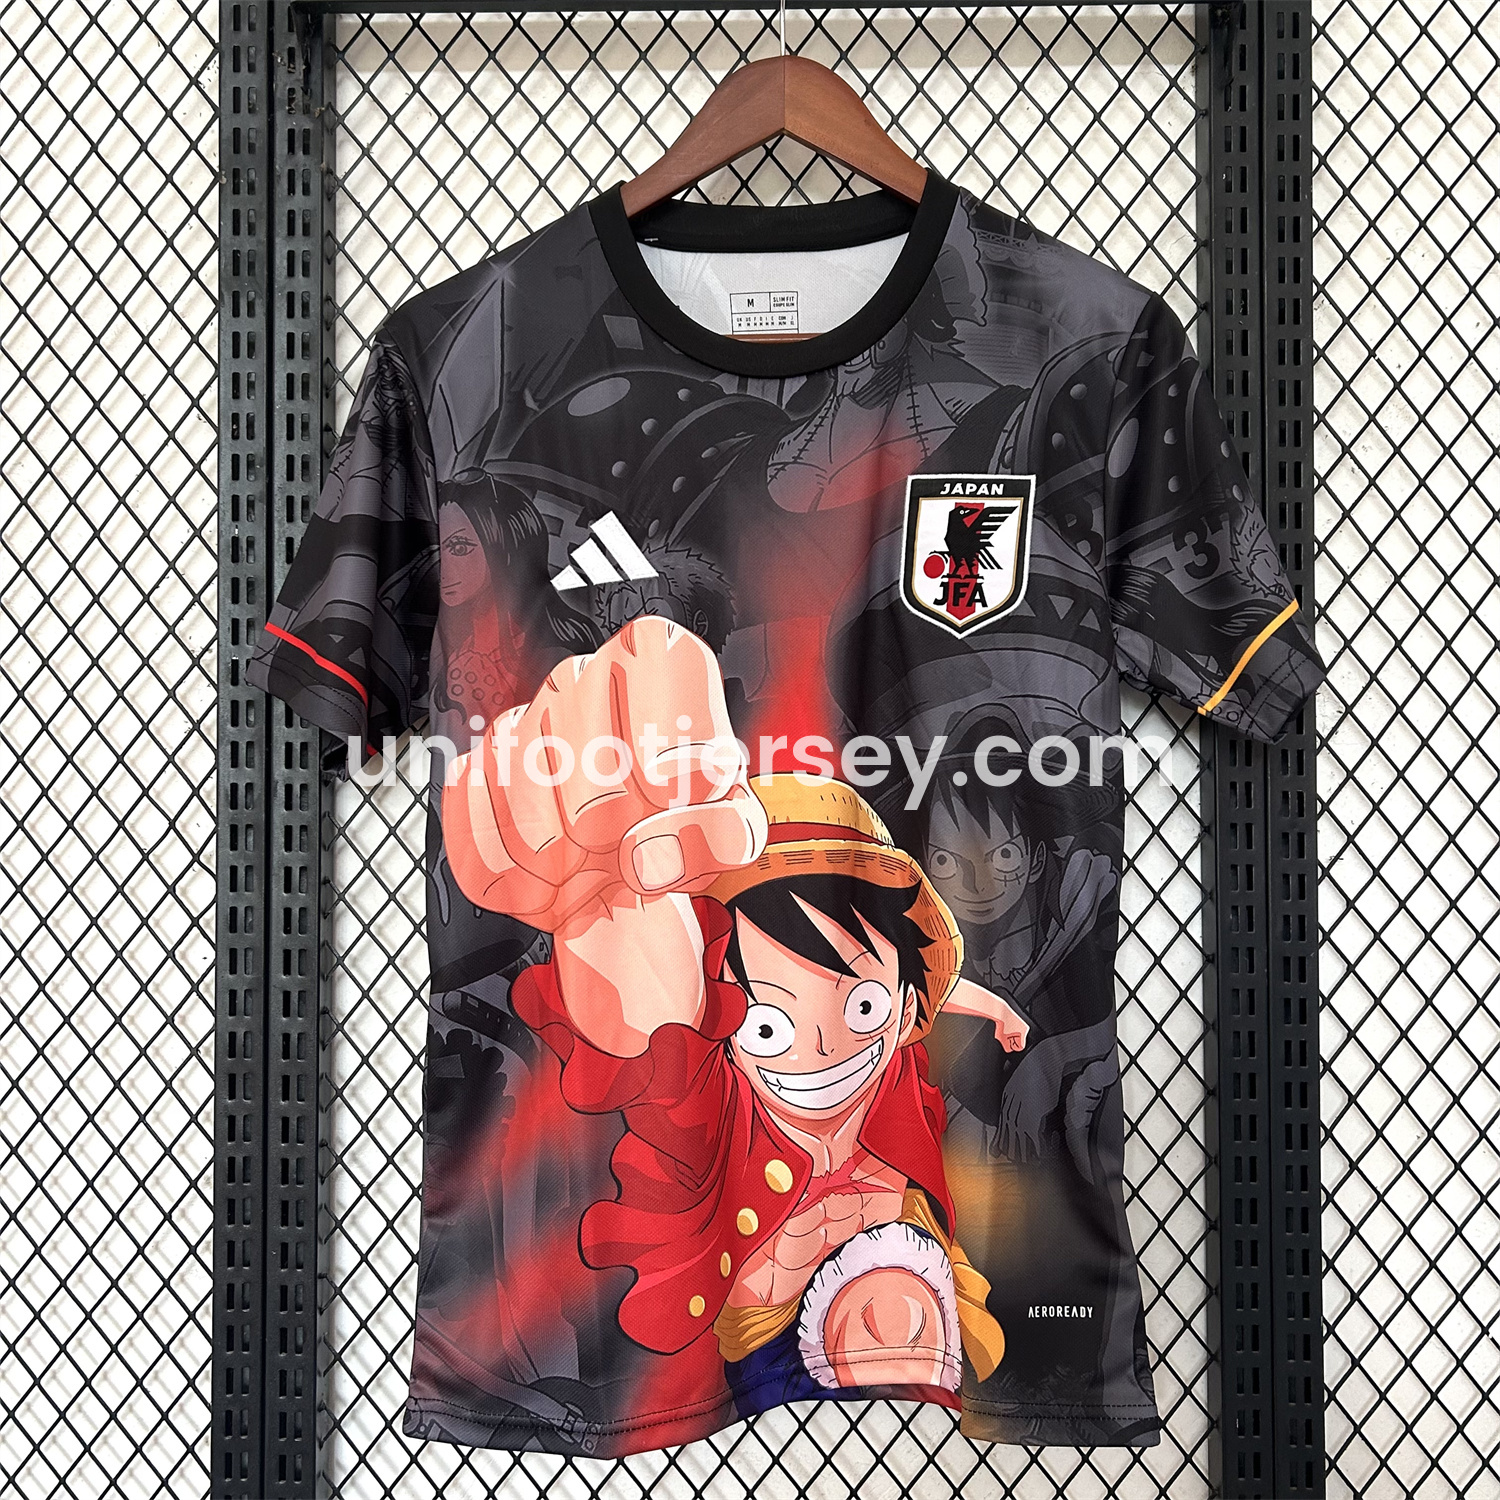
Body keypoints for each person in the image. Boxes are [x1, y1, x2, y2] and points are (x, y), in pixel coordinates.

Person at [441, 616, 1031, 1414]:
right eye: (766, 1025)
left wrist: (988, 1005)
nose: (820, 1048)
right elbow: (666, 1057)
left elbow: (924, 985)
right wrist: (611, 924)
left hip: (922, 1351)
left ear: (900, 1005)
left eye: (861, 1005)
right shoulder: (718, 1107)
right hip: (762, 1355)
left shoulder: (897, 1062)